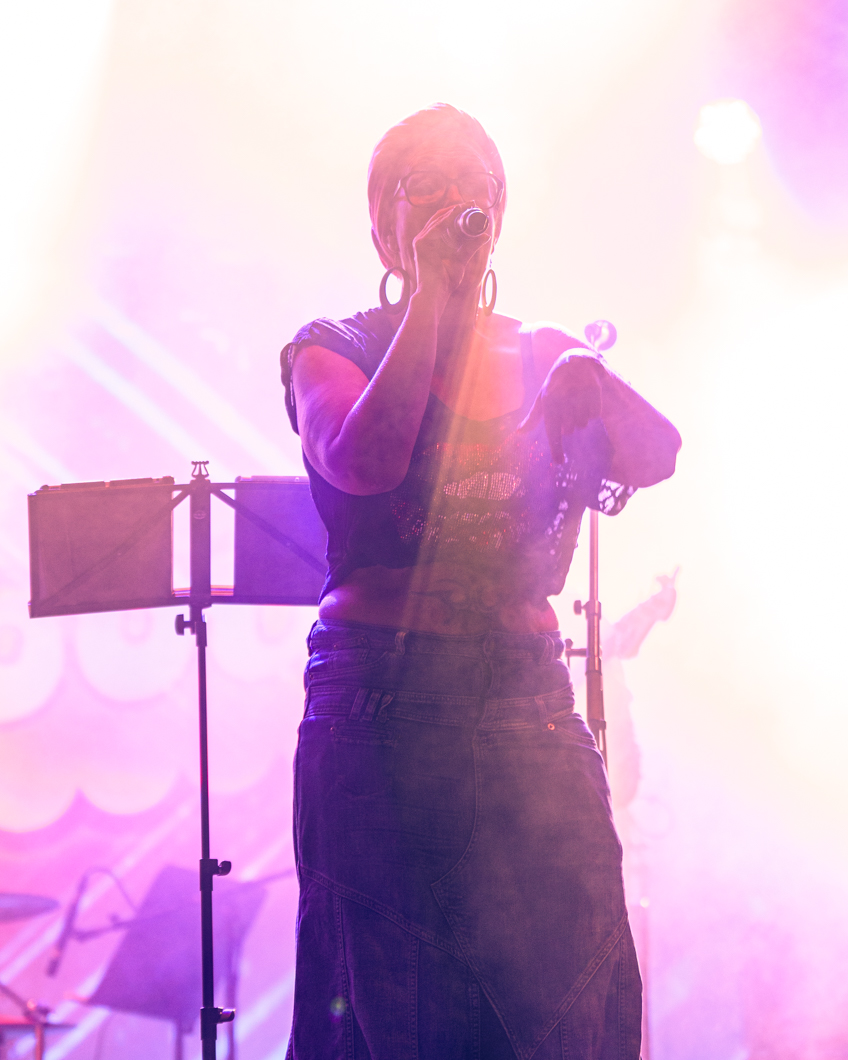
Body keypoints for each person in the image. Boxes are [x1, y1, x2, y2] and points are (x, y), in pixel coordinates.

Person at [280, 104, 681, 1060]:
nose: (457, 202)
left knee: (571, 989)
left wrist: (587, 377)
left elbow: (658, 452)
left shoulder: (537, 346)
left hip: (526, 702)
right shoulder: (330, 348)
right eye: (428, 184)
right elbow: (365, 459)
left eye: (476, 187)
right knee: (394, 998)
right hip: (382, 702)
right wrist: (431, 299)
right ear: (382, 220)